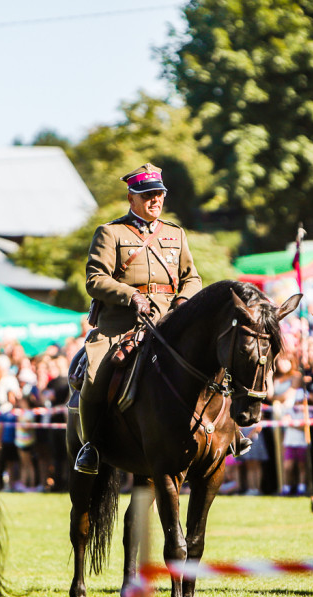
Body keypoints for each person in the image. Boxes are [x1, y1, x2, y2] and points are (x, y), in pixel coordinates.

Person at [73, 163, 203, 474]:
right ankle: (91, 447)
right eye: (147, 195)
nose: (155, 200)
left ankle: (227, 431)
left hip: (170, 322)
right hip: (122, 324)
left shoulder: (175, 234)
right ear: (132, 198)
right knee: (94, 377)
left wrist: (184, 301)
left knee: (214, 360)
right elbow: (95, 279)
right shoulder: (111, 232)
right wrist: (130, 295)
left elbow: (192, 278)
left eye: (159, 194)